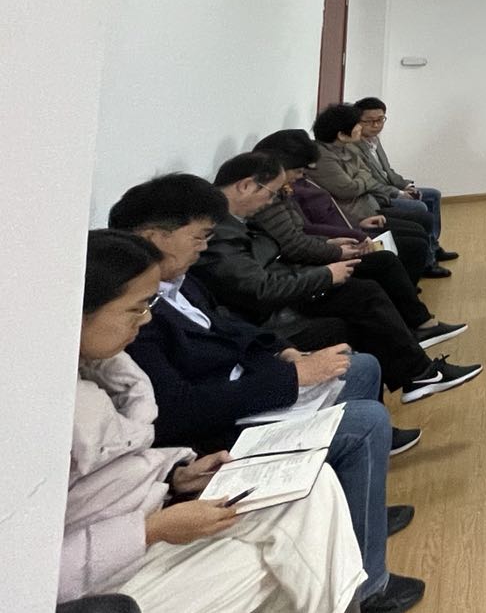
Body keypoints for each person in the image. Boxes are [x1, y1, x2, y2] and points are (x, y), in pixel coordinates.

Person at [108, 179, 425, 613]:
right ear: (153, 237)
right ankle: (369, 588)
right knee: (365, 422)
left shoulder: (179, 282)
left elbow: (224, 325)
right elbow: (179, 410)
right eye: (198, 236)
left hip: (248, 386)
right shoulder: (132, 316)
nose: (204, 246)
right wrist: (291, 379)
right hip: (220, 430)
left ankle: (359, 510)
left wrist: (282, 351)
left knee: (361, 366)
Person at [63, 229, 366, 612]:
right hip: (106, 574)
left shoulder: (102, 369)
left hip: (147, 516)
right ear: (77, 310)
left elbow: (108, 476)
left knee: (311, 488)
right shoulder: (45, 419)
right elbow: (32, 567)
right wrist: (151, 530)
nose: (147, 318)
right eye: (136, 309)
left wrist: (176, 475)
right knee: (288, 561)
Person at [195, 155, 482, 402]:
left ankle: (418, 373)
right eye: (271, 193)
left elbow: (278, 256)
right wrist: (324, 274)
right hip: (271, 313)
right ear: (245, 186)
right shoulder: (219, 234)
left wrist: (327, 253)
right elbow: (260, 287)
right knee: (360, 302)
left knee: (365, 290)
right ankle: (415, 375)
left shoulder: (234, 222)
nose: (273, 200)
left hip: (286, 290)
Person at [254, 131, 433, 281]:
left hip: (347, 229)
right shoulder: (280, 195)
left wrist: (355, 226)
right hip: (335, 240)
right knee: (401, 249)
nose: (302, 174)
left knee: (415, 233)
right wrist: (340, 245)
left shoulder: (351, 150)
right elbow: (347, 190)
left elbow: (368, 175)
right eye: (299, 170)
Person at [313, 105, 448, 278]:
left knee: (423, 219)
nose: (360, 128)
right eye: (358, 124)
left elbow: (369, 173)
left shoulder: (347, 147)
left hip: (369, 206)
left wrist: (398, 185)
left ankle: (429, 256)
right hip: (358, 215)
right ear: (341, 134)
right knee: (418, 225)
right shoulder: (324, 158)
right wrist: (373, 184)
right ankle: (416, 272)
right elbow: (348, 189)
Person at [352, 98, 455, 263]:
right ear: (357, 122)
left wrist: (406, 185)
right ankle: (428, 259)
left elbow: (388, 172)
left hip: (389, 189)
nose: (376, 125)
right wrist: (398, 193)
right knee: (419, 206)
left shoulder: (375, 141)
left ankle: (433, 246)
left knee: (433, 194)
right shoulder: (354, 147)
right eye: (369, 121)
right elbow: (370, 183)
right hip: (378, 197)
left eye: (380, 120)